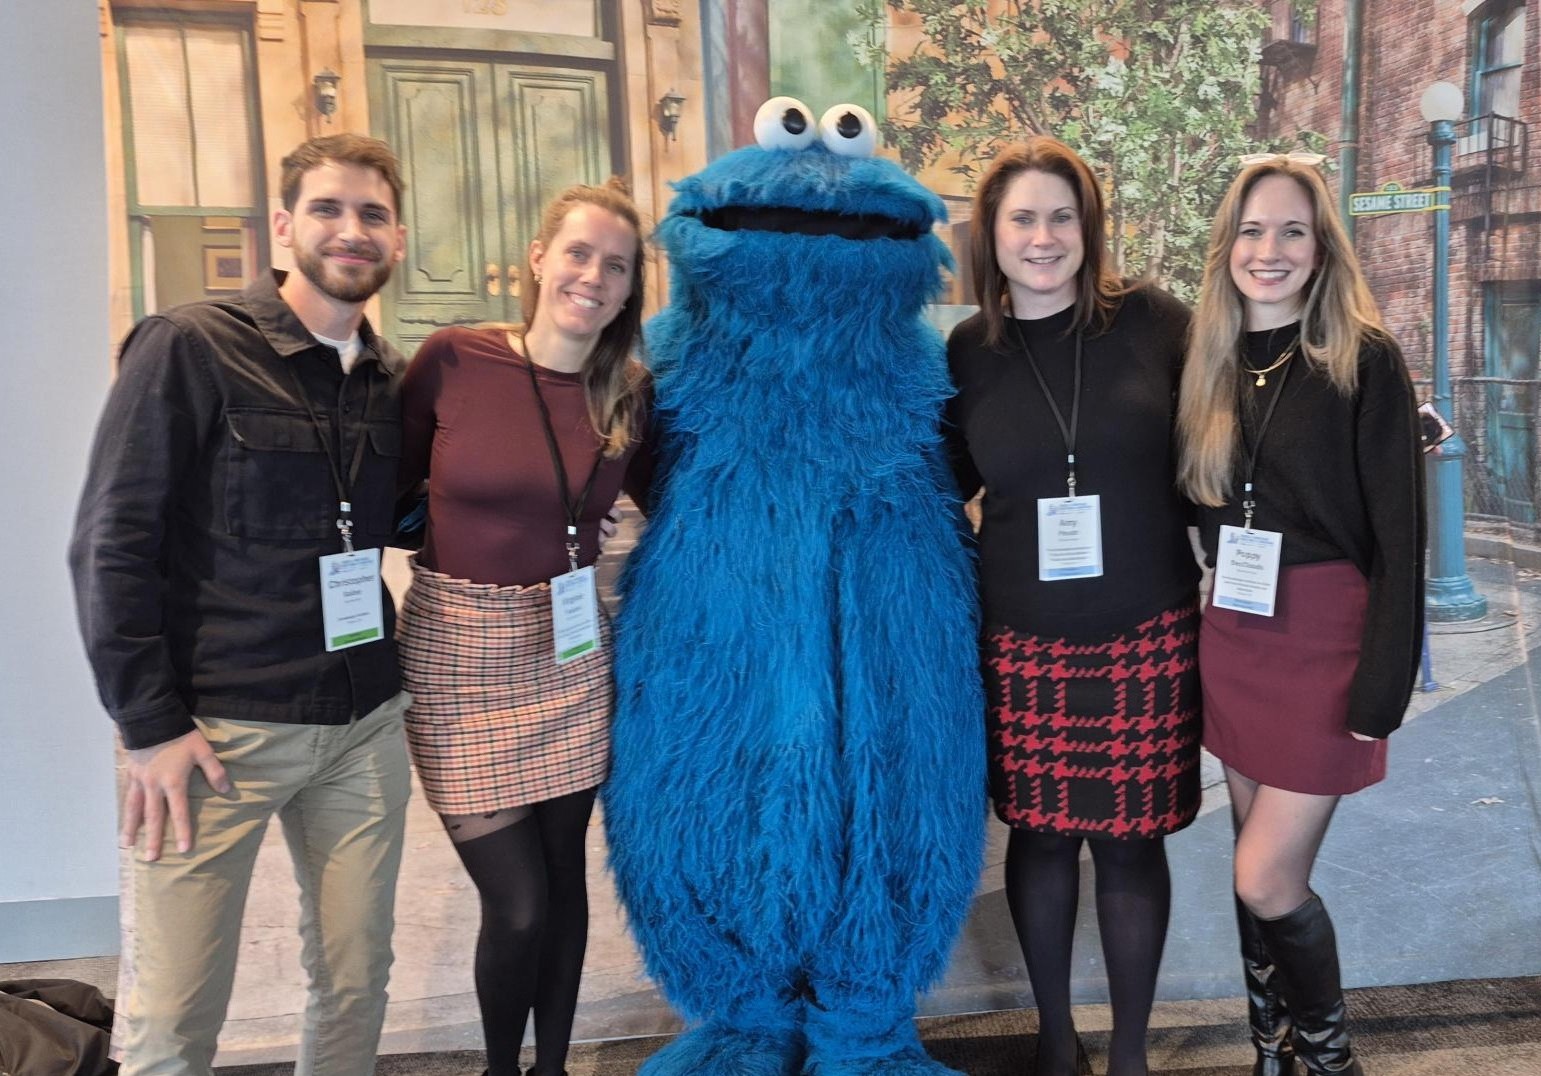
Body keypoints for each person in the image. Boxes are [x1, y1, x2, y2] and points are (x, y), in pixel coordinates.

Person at [69, 133, 411, 1076]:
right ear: (285, 225)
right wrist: (147, 725)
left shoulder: (391, 381)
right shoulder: (190, 345)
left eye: (373, 214)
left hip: (362, 722)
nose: (351, 230)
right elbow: (110, 542)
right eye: (330, 209)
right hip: (214, 734)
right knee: (175, 1017)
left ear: (398, 237)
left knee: (354, 983)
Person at [944, 136, 1201, 1076]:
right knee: (1042, 840)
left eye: (1061, 216)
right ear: (992, 234)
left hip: (1146, 632)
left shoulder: (1155, 324)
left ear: (1087, 228)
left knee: (1132, 850)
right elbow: (935, 483)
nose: (1043, 237)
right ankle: (1058, 1045)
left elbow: (1234, 432)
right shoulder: (968, 351)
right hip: (1019, 640)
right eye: (1022, 218)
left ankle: (1128, 1056)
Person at [397, 178, 653, 1076]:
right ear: (539, 258)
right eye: (578, 253)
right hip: (458, 655)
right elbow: (383, 487)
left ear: (628, 290)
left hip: (571, 657)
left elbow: (672, 507)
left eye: (614, 266)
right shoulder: (454, 359)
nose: (593, 275)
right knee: (517, 906)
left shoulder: (628, 393)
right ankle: (501, 1069)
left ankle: (552, 1067)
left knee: (563, 882)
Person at [1176, 156, 1424, 1076]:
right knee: (1253, 867)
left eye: (1289, 231)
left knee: (1263, 876)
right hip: (1235, 637)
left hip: (1328, 643)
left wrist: (1381, 687)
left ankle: (1328, 1061)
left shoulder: (1362, 358)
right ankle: (1269, 1052)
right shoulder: (1208, 359)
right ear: (1225, 246)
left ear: (1320, 248)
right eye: (1250, 230)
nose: (1266, 249)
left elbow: (1402, 539)